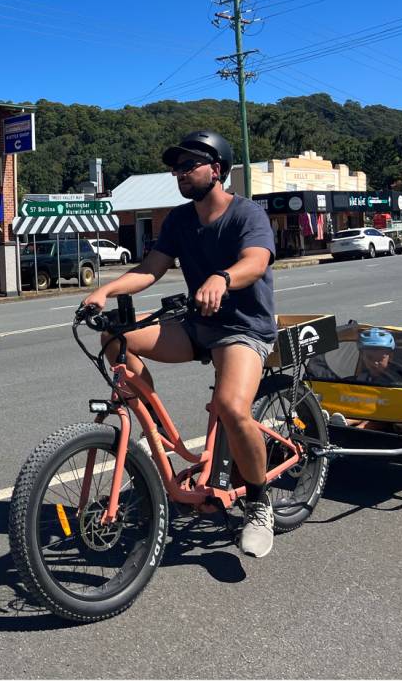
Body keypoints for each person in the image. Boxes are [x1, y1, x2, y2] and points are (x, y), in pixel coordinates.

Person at [82, 130, 279, 558]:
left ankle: (259, 502)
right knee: (115, 337)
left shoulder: (247, 214)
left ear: (218, 170)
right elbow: (151, 268)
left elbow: (256, 261)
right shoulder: (179, 219)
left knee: (231, 409)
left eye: (190, 165)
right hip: (196, 325)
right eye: (177, 167)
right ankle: (152, 428)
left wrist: (221, 278)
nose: (180, 173)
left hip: (243, 328)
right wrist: (108, 290)